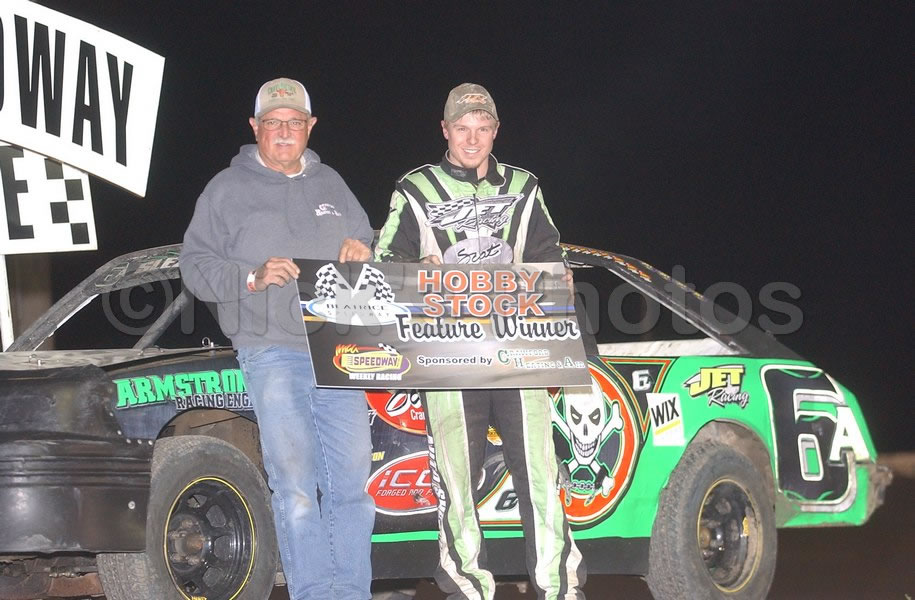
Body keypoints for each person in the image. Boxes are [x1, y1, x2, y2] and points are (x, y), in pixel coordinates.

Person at [375, 83, 586, 600]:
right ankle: (469, 588)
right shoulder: (414, 189)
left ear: (496, 131)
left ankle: (558, 587)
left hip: (521, 352)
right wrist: (416, 267)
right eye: (462, 129)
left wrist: (559, 274)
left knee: (540, 472)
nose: (472, 139)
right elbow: (384, 263)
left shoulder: (525, 187)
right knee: (457, 480)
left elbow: (549, 253)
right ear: (445, 131)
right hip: (447, 357)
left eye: (482, 128)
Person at [180, 77, 375, 600]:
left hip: (339, 350)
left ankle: (350, 593)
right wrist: (250, 276)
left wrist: (364, 249)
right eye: (273, 122)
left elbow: (367, 241)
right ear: (255, 127)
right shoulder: (225, 189)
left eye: (294, 122)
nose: (284, 131)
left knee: (352, 486)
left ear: (311, 126)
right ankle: (313, 593)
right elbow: (194, 265)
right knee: (295, 488)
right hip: (271, 351)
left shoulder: (332, 183)